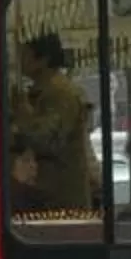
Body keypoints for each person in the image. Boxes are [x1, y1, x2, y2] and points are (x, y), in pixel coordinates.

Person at [6, 31, 95, 216]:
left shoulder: (60, 94)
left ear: (43, 59)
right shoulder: (41, 93)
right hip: (43, 197)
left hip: (63, 204)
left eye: (26, 54)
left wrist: (21, 117)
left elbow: (47, 138)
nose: (21, 61)